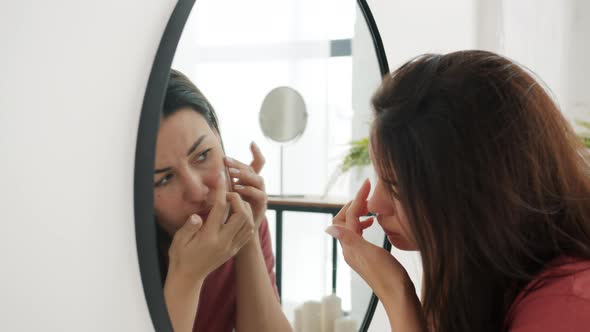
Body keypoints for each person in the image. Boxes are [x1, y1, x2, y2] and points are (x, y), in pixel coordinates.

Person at [326, 50, 590, 332]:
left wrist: (395, 293)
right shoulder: (480, 278)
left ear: (473, 193)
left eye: (397, 187)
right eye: (379, 178)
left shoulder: (567, 307)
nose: (375, 203)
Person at [153, 69, 291, 332]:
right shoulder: (124, 253)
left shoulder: (241, 216)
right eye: (164, 179)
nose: (196, 191)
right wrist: (187, 277)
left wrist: (246, 236)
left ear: (219, 138)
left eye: (203, 155)